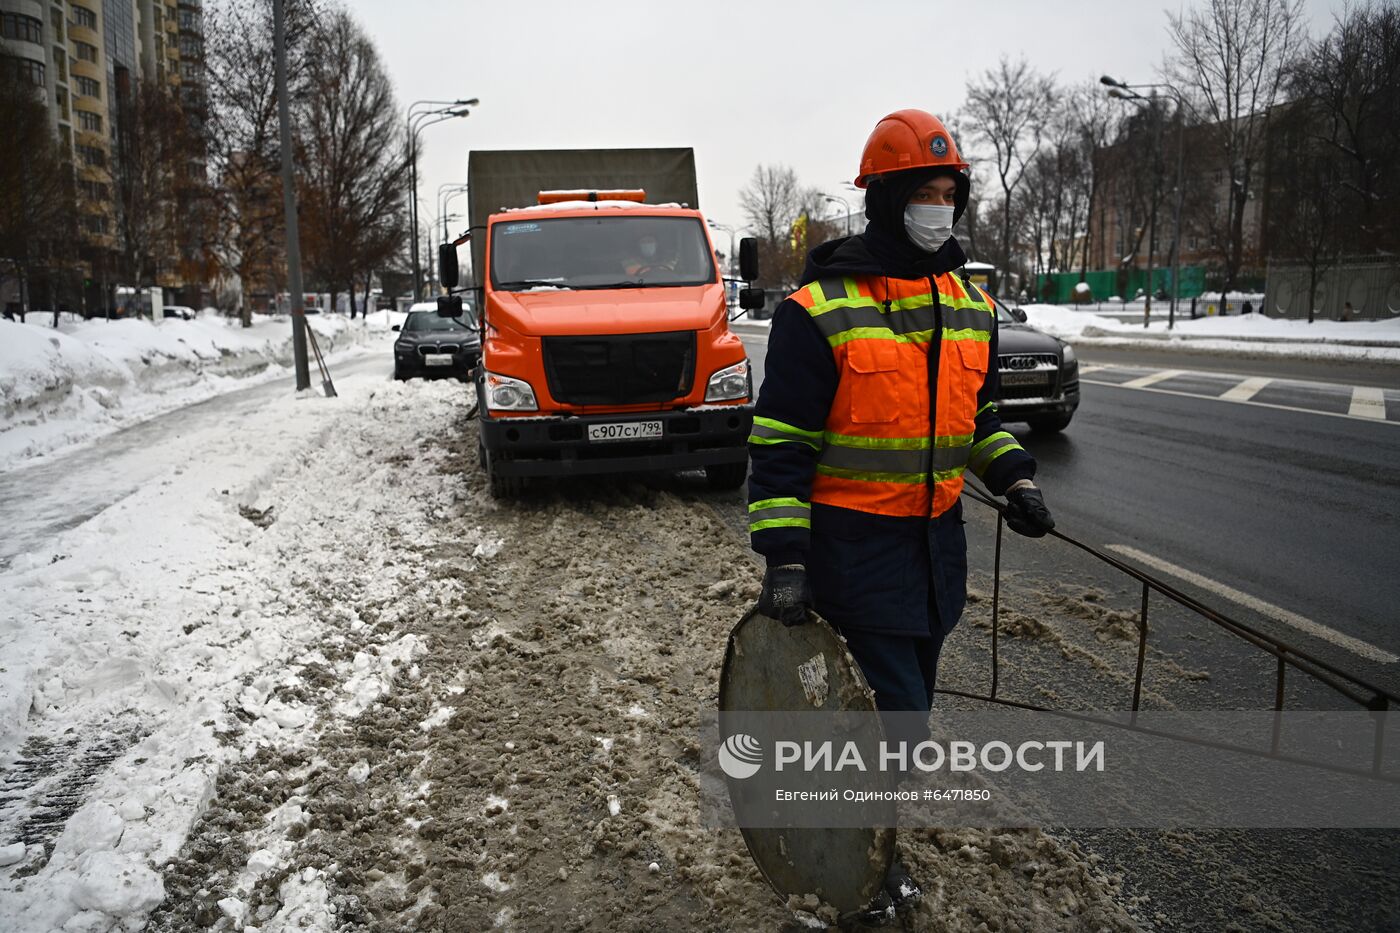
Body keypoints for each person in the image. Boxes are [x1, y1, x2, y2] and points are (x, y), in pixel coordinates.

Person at [746, 109, 1056, 918]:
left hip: (933, 554)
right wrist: (785, 558)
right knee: (892, 730)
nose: (939, 208)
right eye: (924, 191)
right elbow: (780, 445)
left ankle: (853, 839)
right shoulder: (819, 308)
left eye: (950, 192)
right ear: (885, 199)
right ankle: (862, 873)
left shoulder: (968, 301)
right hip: (852, 552)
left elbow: (974, 416)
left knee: (900, 723)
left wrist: (1016, 479)